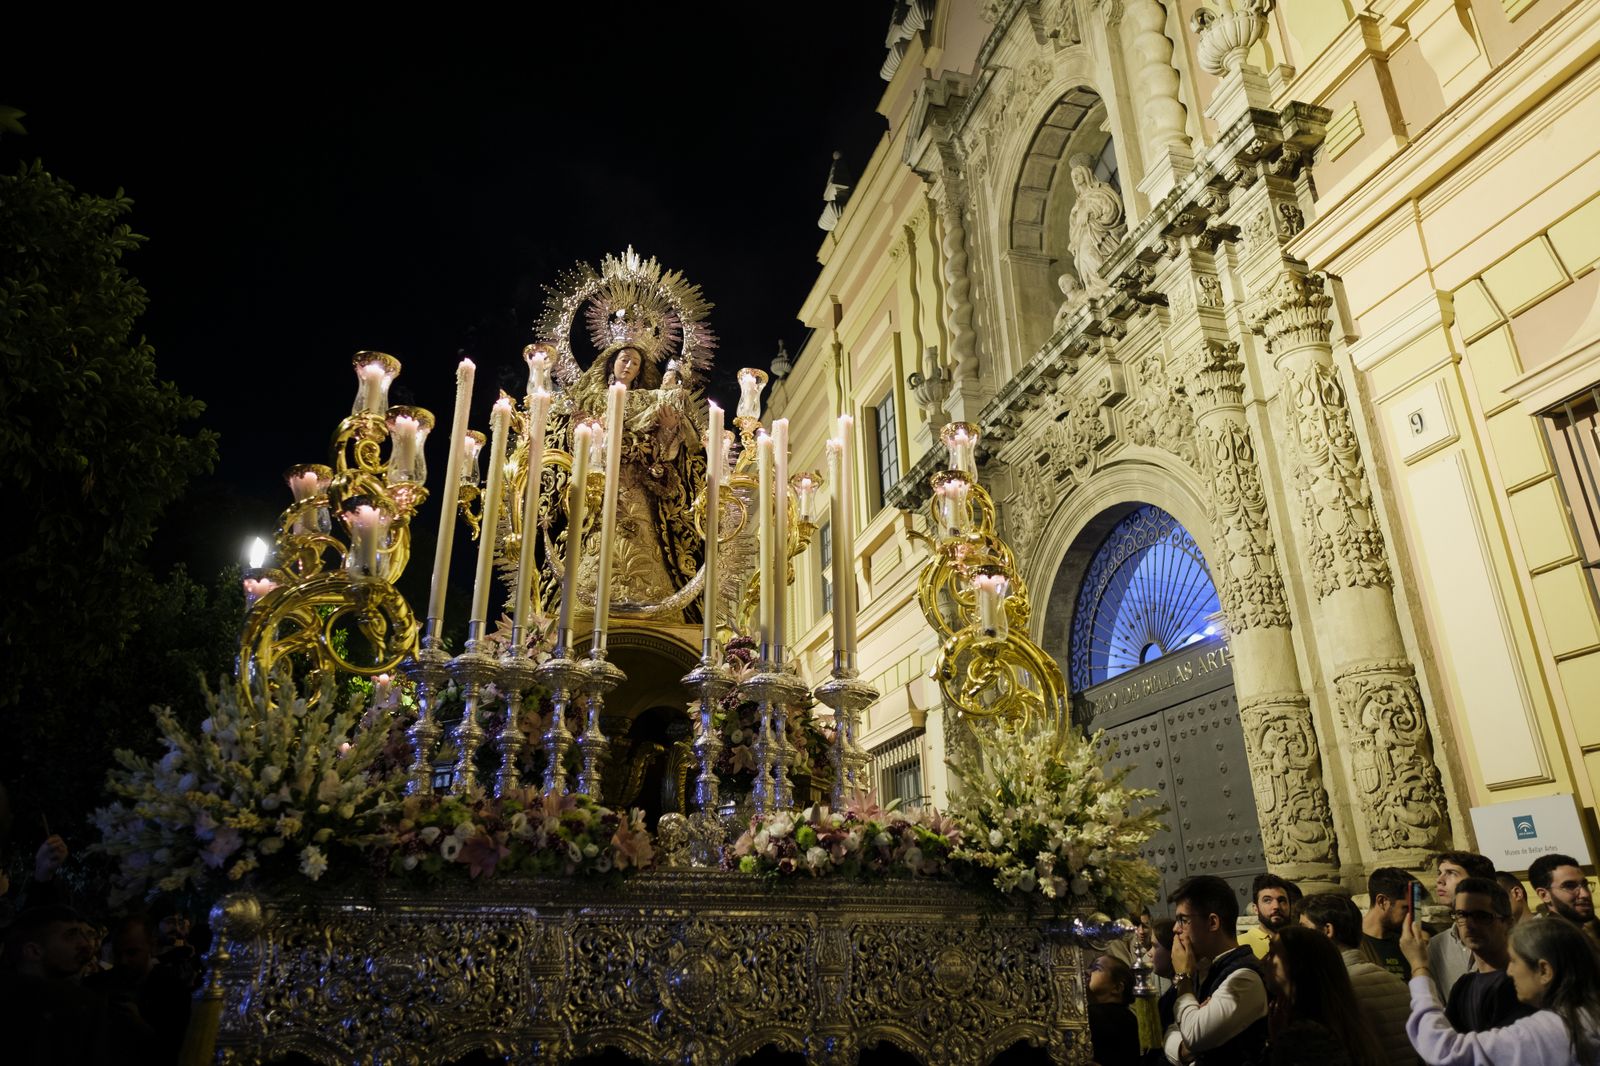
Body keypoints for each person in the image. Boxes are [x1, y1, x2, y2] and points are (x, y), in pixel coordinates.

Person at [568, 340, 704, 619]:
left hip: (638, 486)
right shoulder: (590, 401)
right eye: (624, 359)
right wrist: (593, 436)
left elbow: (663, 455)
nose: (628, 366)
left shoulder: (648, 401)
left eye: (635, 363)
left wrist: (666, 430)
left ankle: (648, 607)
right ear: (611, 362)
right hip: (600, 486)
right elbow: (576, 442)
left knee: (644, 542)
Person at [1401, 906, 1600, 1064]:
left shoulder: (1551, 1031)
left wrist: (1419, 969)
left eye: (1514, 961)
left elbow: (1446, 1051)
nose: (1510, 971)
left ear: (1544, 970)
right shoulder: (1587, 1016)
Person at [1297, 893, 1413, 1066]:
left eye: (1304, 929)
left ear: (1327, 931)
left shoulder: (1332, 991)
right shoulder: (1398, 983)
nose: (1299, 938)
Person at [1163, 875, 1268, 1065]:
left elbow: (1193, 1035)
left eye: (1183, 919)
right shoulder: (1203, 967)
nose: (1175, 929)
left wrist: (1183, 977)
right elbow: (1168, 1029)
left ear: (1212, 922)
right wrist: (1183, 1049)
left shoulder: (1245, 978)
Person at [0, 904, 111, 1064]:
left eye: (83, 934)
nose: (85, 944)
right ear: (34, 951)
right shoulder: (81, 1006)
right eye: (71, 936)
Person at [1262, 926, 1386, 1065]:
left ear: (1297, 965)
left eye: (1272, 953)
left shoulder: (1307, 1038)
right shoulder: (1346, 1023)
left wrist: (1276, 1043)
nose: (1264, 960)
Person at [1439, 877, 1534, 1033]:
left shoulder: (1523, 982)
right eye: (1462, 915)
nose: (1470, 925)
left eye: (1482, 916)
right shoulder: (1463, 985)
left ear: (1508, 923)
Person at [1427, 851, 1496, 1001]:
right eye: (1440, 873)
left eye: (1451, 873)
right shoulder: (1437, 945)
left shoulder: (1509, 936)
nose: (1439, 880)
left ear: (1476, 882)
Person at [1528, 853, 1598, 945]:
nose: (1584, 894)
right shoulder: (1545, 945)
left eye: (1585, 884)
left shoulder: (1593, 931)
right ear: (1544, 895)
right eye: (1570, 886)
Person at [1088, 953, 1141, 1065]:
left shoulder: (1095, 1016)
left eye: (1096, 968)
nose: (1087, 972)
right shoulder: (1129, 1017)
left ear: (1117, 988)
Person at [1363, 867, 1414, 980]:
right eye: (1405, 908)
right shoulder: (1352, 943)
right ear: (1382, 901)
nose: (1410, 916)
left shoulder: (1406, 942)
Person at [1243, 873, 1297, 959]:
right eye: (1267, 900)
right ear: (1255, 908)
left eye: (1281, 901)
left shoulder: (1301, 942)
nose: (1276, 906)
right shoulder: (1241, 944)